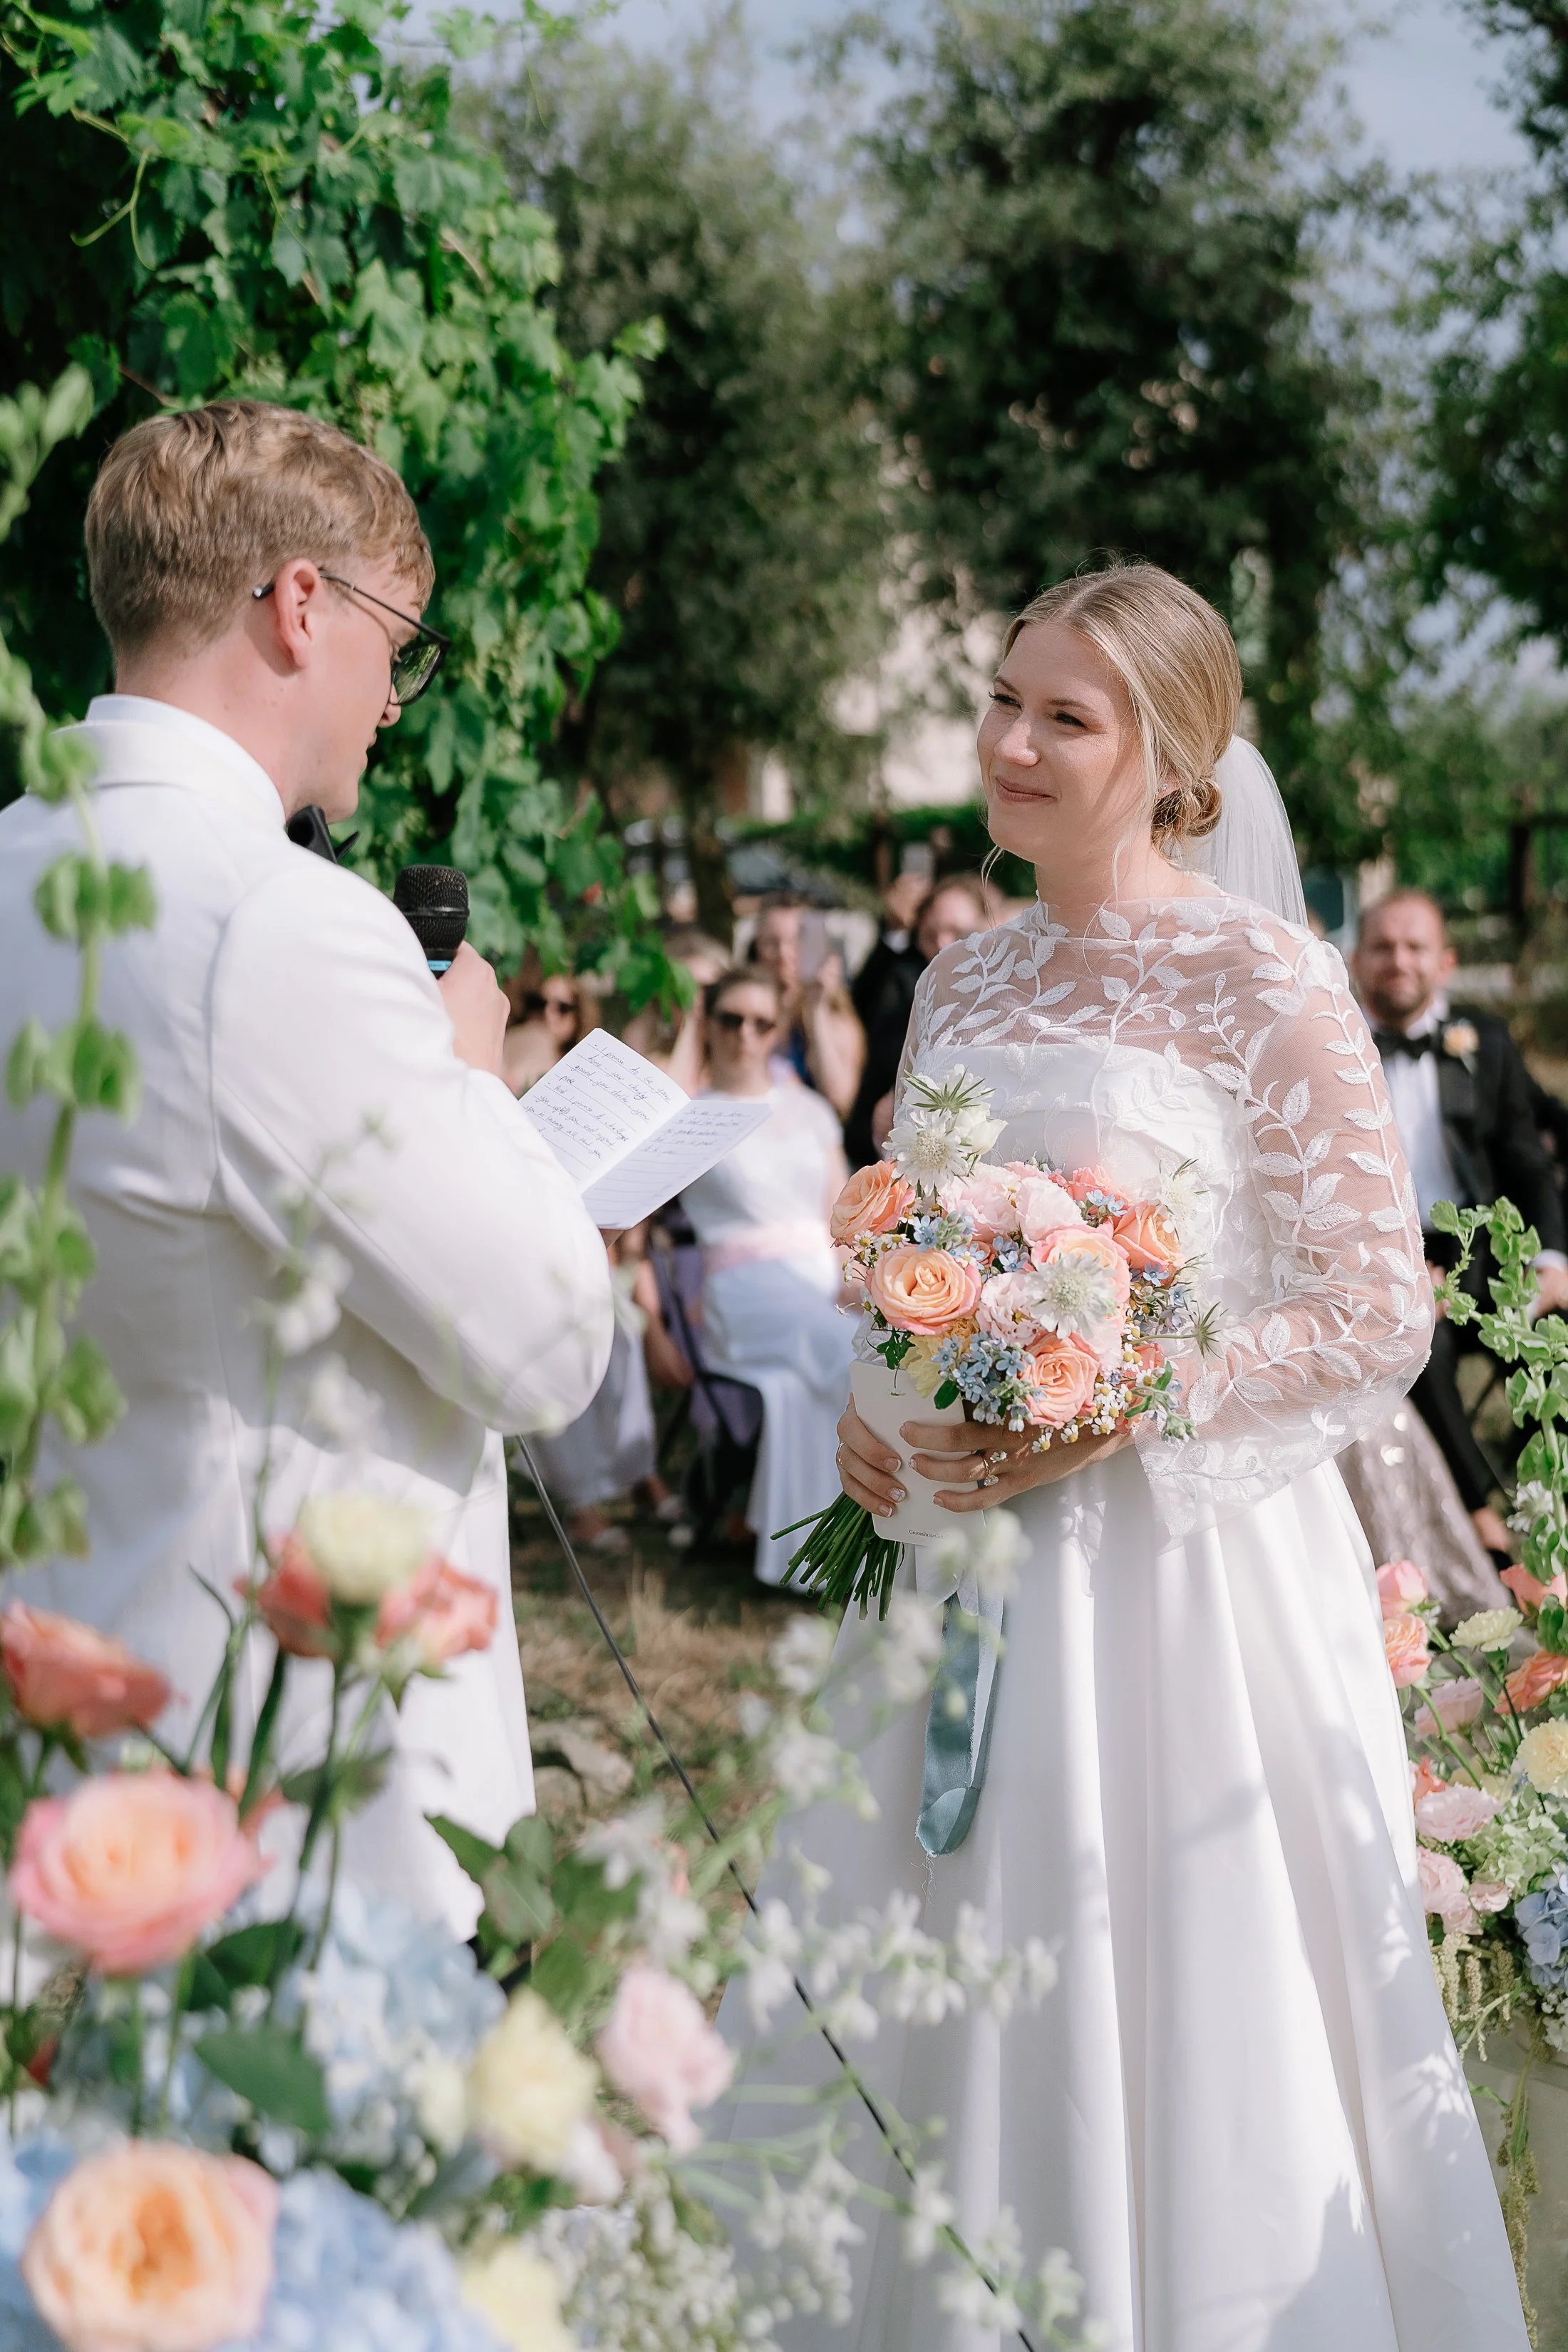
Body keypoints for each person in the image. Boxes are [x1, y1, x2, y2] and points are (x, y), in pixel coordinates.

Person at [717, 565, 1525, 2347]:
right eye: (1004, 699)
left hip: (1184, 1578)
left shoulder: (1267, 976)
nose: (1005, 742)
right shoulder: (966, 978)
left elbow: (1372, 1308)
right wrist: (880, 1392)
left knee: (1161, 1969)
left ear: (1175, 759)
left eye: (1060, 715)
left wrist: (1115, 1406)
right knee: (936, 1966)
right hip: (955, 1554)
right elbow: (907, 1232)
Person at [0, 401, 613, 1936]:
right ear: (297, 606)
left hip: (62, 1702)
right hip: (285, 1764)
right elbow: (542, 1343)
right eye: (397, 641)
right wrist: (474, 1079)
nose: (397, 700)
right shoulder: (279, 923)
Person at [1351, 888, 1568, 1559]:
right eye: (1383, 946)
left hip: (1483, 1245)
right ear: (1357, 960)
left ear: (1445, 962)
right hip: (1378, 1252)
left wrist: (1553, 1263)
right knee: (1423, 1347)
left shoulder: (1485, 1043)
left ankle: (1551, 1508)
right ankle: (1482, 1523)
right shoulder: (1332, 1042)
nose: (1399, 961)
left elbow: (1528, 1164)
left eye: (1415, 947)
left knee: (1552, 1339)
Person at [677, 967, 855, 1586]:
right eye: (730, 1020)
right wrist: (688, 1035)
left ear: (780, 1028)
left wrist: (854, 1281)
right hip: (744, 1290)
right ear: (710, 1023)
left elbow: (842, 1215)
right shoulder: (691, 1115)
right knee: (846, 1351)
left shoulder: (808, 1108)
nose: (745, 1035)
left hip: (820, 1278)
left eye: (761, 1022)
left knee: (856, 1347)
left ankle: (838, 1555)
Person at [845, 872, 995, 1167]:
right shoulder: (901, 1010)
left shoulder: (1010, 1007)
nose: (941, 945)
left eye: (957, 933)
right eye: (929, 934)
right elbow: (858, 1129)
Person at [748, 894, 865, 1119]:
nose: (783, 954)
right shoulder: (742, 1015)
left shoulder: (836, 1016)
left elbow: (840, 1101)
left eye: (795, 941)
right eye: (771, 942)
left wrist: (816, 1009)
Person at [502, 952, 599, 1094]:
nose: (548, 1014)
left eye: (562, 1008)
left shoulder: (585, 1074)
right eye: (540, 1004)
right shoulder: (516, 1038)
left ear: (579, 1016)